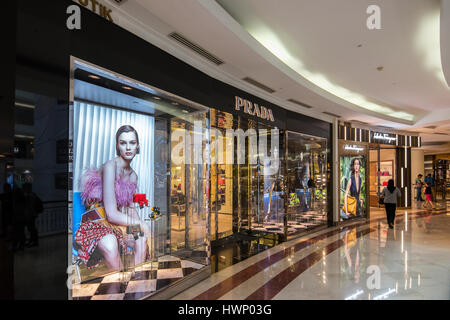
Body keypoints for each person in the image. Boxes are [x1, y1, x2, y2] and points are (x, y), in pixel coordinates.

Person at [74, 125, 149, 271]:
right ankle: (120, 285)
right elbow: (111, 214)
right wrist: (140, 225)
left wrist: (141, 225)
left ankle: (135, 282)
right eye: (123, 143)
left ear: (137, 146)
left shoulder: (133, 175)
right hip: (96, 223)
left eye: (132, 143)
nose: (128, 147)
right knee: (110, 242)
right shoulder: (110, 166)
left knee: (141, 238)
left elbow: (131, 207)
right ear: (117, 146)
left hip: (118, 226)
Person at [22, 183, 43, 247]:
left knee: (31, 228)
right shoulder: (33, 195)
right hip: (32, 214)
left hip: (30, 215)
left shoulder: (29, 196)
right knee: (32, 228)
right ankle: (33, 241)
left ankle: (33, 241)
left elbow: (29, 207)